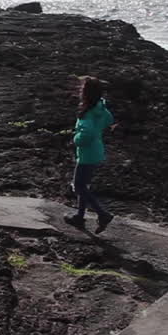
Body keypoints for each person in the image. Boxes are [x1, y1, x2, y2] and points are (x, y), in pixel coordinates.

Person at [64, 76, 116, 232]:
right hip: (96, 151)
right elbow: (109, 120)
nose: (80, 92)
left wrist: (76, 139)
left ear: (86, 94)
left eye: (82, 89)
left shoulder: (87, 113)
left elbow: (87, 134)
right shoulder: (100, 108)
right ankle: (79, 217)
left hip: (87, 153)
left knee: (79, 186)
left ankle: (103, 214)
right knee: (83, 185)